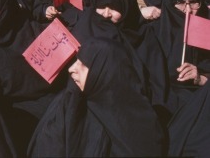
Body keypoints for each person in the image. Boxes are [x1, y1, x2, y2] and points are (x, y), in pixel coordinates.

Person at [28, 38, 166, 157]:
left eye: (83, 65)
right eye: (77, 61)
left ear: (104, 73)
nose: (71, 69)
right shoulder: (68, 109)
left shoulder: (143, 121)